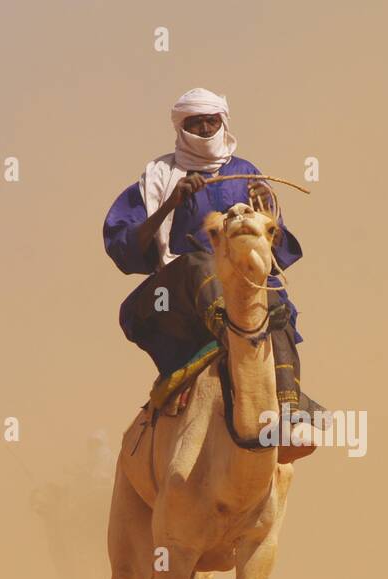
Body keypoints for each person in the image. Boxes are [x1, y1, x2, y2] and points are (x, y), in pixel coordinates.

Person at [103, 88, 321, 449]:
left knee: (276, 301)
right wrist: (170, 203)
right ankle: (228, 332)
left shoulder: (245, 173)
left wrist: (269, 212)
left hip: (244, 287)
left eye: (211, 121)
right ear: (181, 127)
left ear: (223, 122)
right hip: (176, 295)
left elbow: (273, 251)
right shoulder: (160, 175)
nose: (205, 129)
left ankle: (289, 410)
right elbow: (123, 245)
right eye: (195, 123)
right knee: (199, 261)